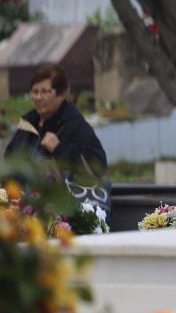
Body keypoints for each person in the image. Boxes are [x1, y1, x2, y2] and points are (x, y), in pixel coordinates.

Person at [5, 64, 110, 224]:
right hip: (21, 211)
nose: (38, 97)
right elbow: (10, 161)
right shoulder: (27, 125)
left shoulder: (76, 125)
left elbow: (97, 167)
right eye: (35, 91)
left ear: (61, 94)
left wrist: (59, 149)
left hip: (61, 216)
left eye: (45, 92)